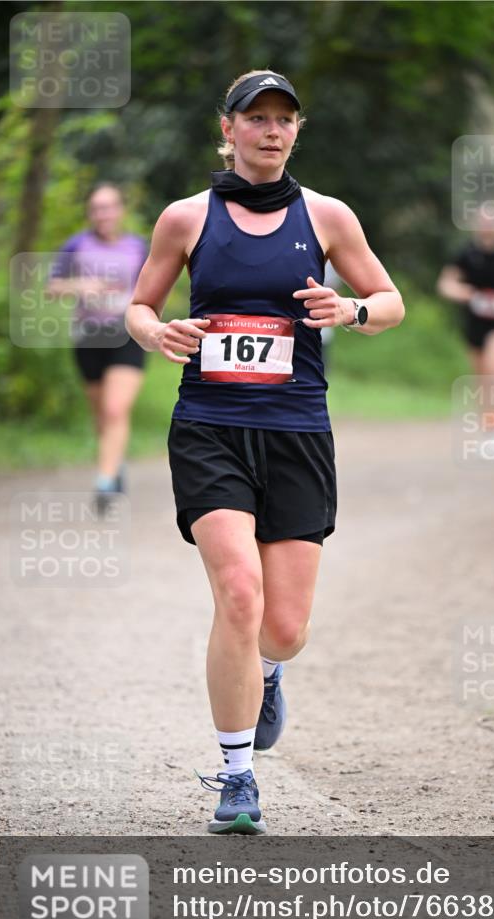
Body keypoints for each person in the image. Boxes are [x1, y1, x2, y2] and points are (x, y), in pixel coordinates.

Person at [125, 70, 404, 834]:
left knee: (281, 629)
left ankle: (269, 672)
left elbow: (390, 302)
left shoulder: (327, 216)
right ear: (229, 129)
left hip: (296, 432)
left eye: (284, 118)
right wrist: (157, 333)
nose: (271, 130)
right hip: (209, 427)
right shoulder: (186, 218)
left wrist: (349, 310)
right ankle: (237, 775)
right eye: (256, 118)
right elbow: (140, 306)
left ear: (297, 131)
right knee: (239, 596)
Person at [48, 184, 148, 510]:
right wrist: (81, 285)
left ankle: (104, 484)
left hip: (126, 334)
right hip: (88, 336)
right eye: (96, 208)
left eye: (108, 207)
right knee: (101, 413)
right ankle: (114, 463)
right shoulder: (77, 245)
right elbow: (52, 288)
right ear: (90, 213)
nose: (102, 214)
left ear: (120, 210)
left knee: (115, 409)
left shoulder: (138, 247)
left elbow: (154, 286)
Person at [437, 205, 494, 455]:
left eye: (493, 221)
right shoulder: (466, 255)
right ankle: (490, 432)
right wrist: (468, 294)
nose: (489, 225)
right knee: (482, 380)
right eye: (484, 220)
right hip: (475, 325)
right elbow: (445, 284)